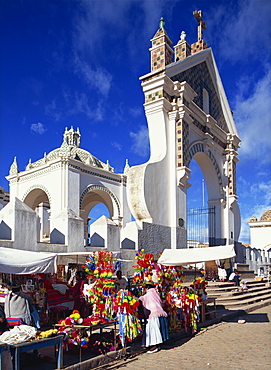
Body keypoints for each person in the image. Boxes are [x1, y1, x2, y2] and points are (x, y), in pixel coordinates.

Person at [139, 282, 169, 354]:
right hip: (159, 312)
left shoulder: (148, 295)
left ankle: (154, 346)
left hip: (153, 314)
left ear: (146, 288)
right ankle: (156, 344)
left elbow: (141, 299)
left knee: (153, 331)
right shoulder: (156, 293)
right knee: (156, 330)